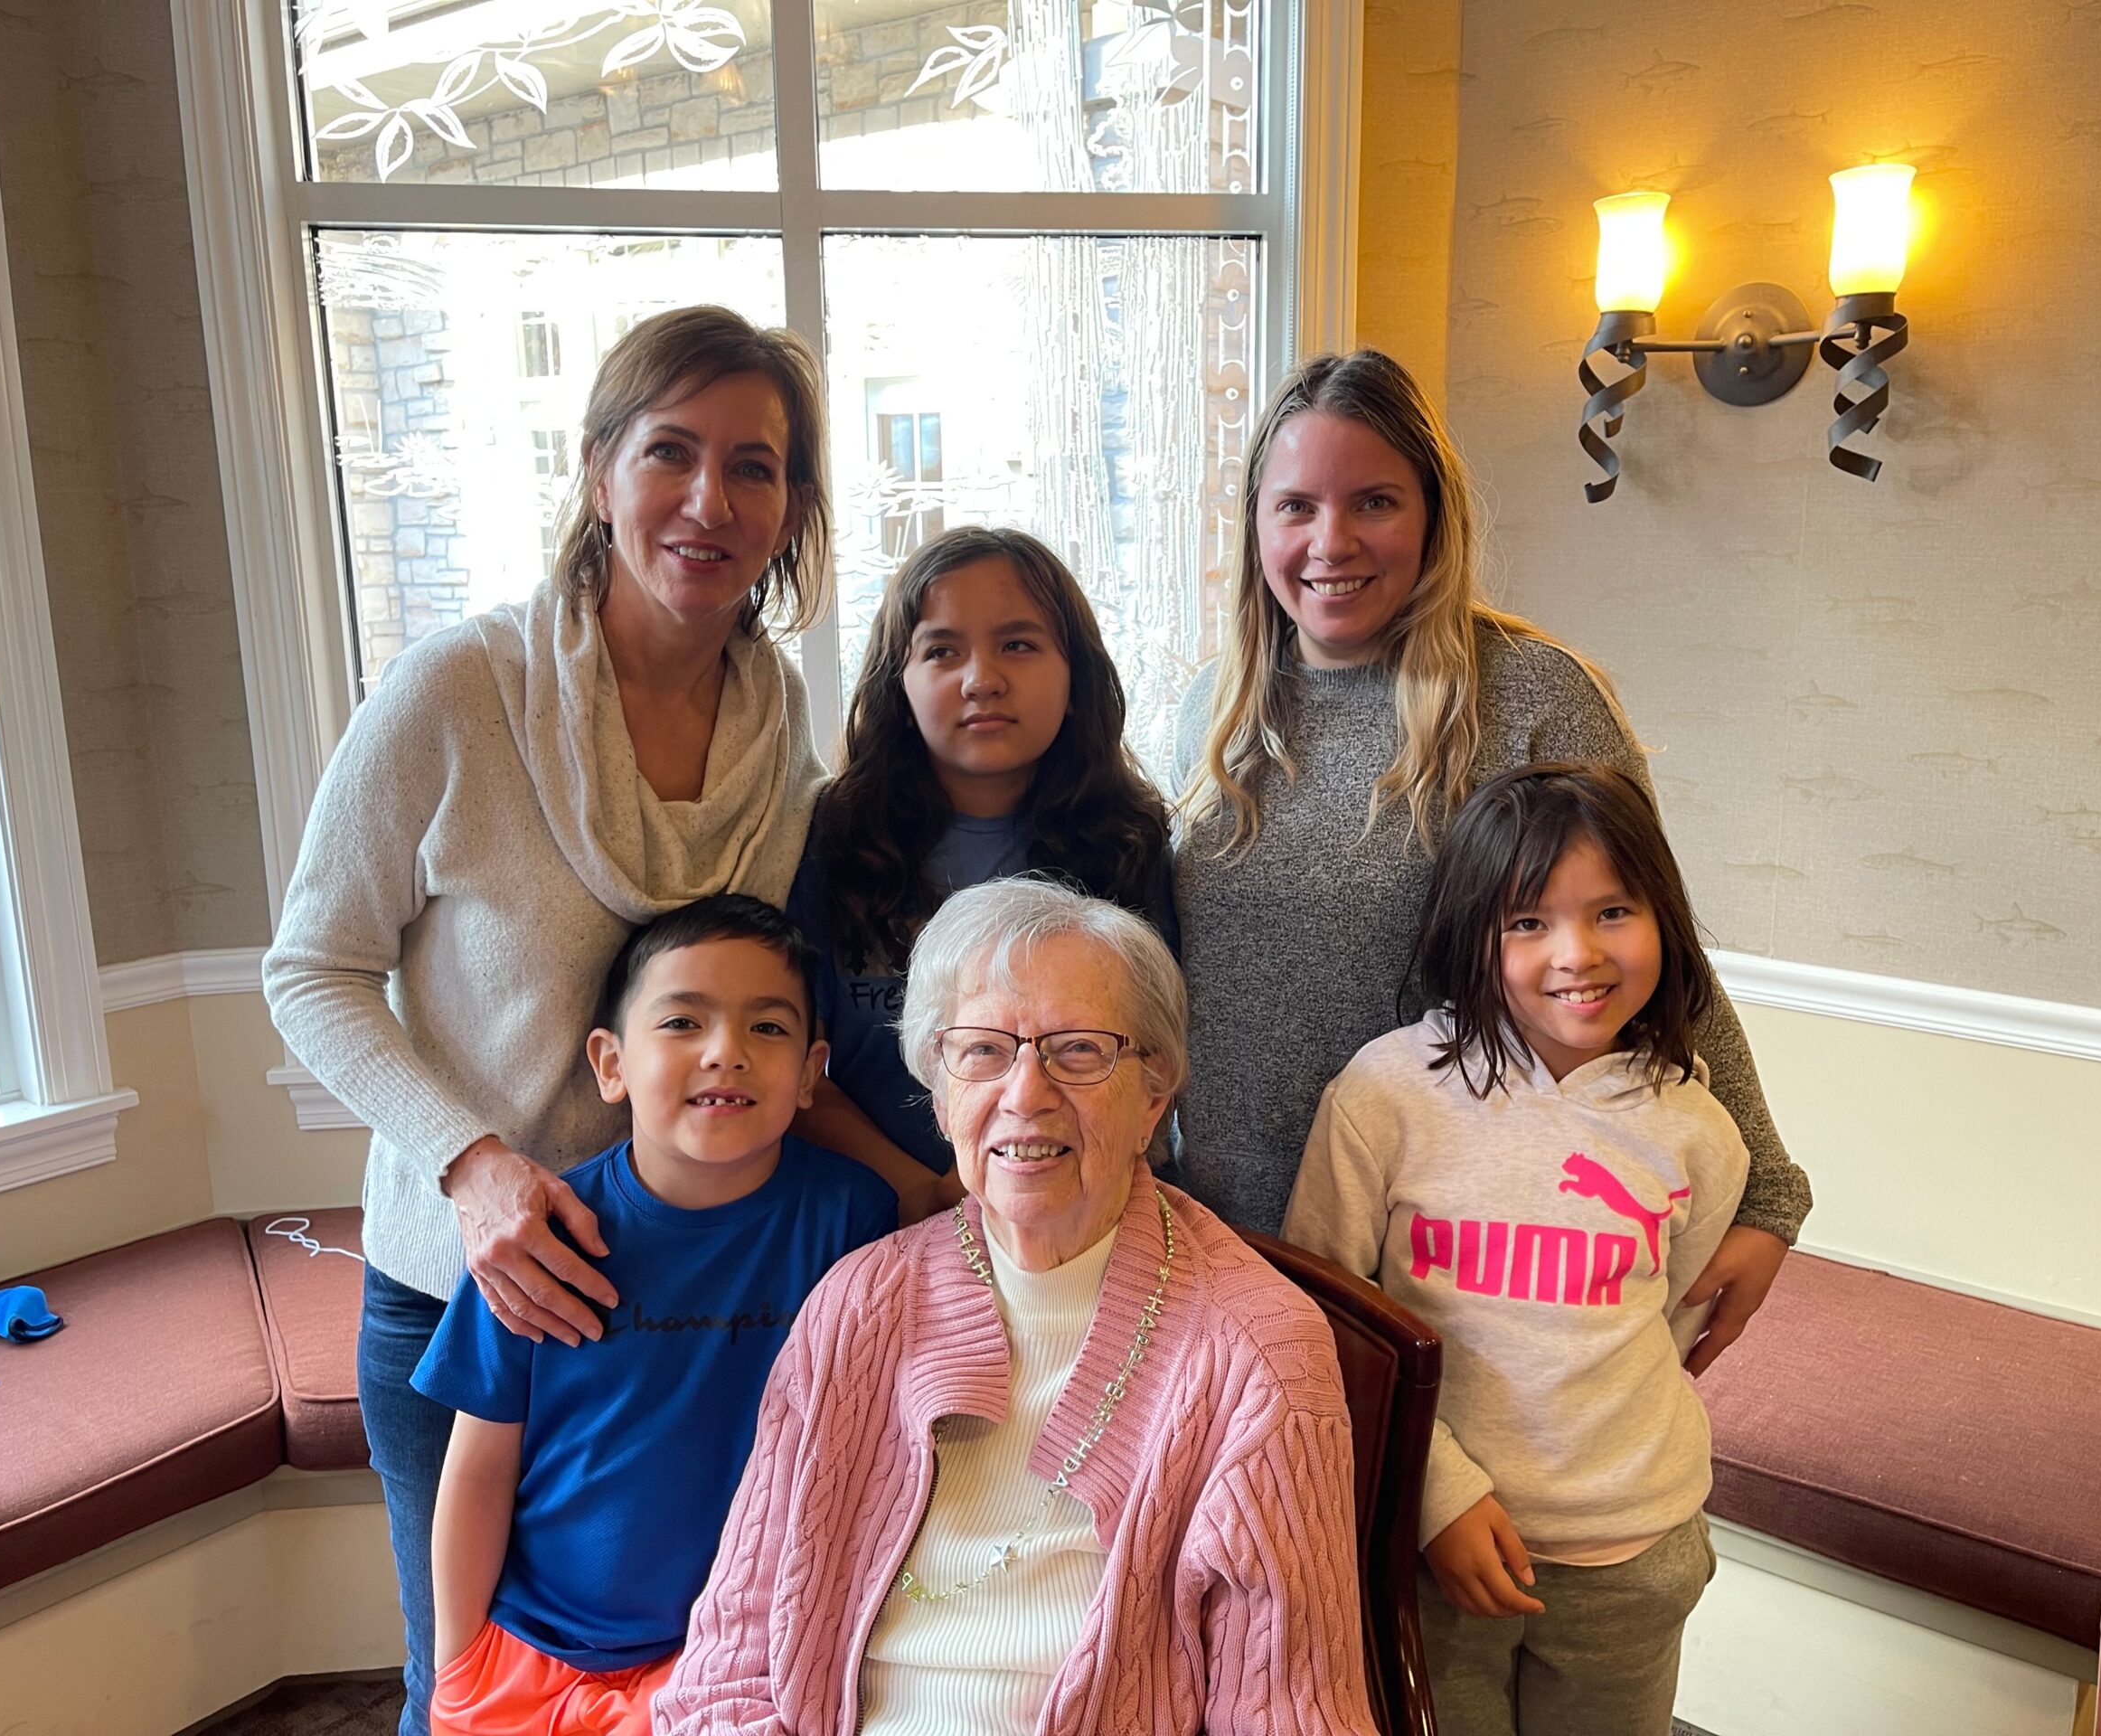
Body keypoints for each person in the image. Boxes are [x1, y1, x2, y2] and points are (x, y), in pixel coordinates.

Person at [262, 307, 915, 1736]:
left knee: (695, 1692)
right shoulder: (457, 693)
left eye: (755, 467)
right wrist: (474, 1166)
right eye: (671, 451)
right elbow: (309, 971)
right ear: (599, 468)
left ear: (794, 507)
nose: (710, 500)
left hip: (682, 1305)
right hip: (467, 1294)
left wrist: (926, 1187)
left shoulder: (777, 734)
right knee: (464, 1689)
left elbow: (765, 1009)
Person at [1173, 347, 1808, 1369]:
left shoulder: (1530, 698)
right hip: (1222, 1218)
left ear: (1432, 515)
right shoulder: (1212, 708)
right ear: (1255, 526)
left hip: (1455, 1247)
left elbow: (1650, 947)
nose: (1331, 542)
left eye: (1374, 502)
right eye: (1295, 507)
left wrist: (1768, 1191)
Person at [652, 877, 1377, 1736]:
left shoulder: (1256, 1351)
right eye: (984, 1051)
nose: (1025, 1093)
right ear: (941, 1093)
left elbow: (1291, 1711)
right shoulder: (858, 1304)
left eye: (1079, 1051)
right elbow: (729, 1663)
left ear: (1154, 1096)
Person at [1283, 762, 1746, 1736]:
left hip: (1633, 1553)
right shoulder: (1386, 1095)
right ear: (1471, 936)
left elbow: (1669, 1318)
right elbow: (1326, 1317)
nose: (1578, 953)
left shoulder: (1700, 1130)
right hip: (1434, 1545)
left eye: (1613, 911)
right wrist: (1436, 1497)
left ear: (1663, 917)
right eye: (1527, 922)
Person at [417, 895, 897, 1735]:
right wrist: (457, 1668)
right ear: (612, 1064)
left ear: (811, 1073)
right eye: (682, 1022)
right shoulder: (539, 1238)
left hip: (731, 1666)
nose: (726, 1052)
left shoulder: (854, 1219)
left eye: (768, 1028)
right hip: (527, 1658)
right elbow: (479, 1469)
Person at [789, 525, 1175, 1183]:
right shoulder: (838, 839)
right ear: (899, 686)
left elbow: (1150, 1069)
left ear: (1076, 678)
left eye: (1018, 645)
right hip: (875, 1206)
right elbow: (793, 1070)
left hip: (1073, 1199)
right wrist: (917, 1190)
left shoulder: (1128, 843)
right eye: (942, 651)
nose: (982, 680)